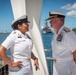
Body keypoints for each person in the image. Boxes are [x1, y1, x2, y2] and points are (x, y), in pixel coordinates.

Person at [46, 10, 76, 75]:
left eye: (51, 19)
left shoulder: (68, 34)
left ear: (58, 20)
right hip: (57, 67)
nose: (49, 21)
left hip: (67, 68)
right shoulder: (56, 33)